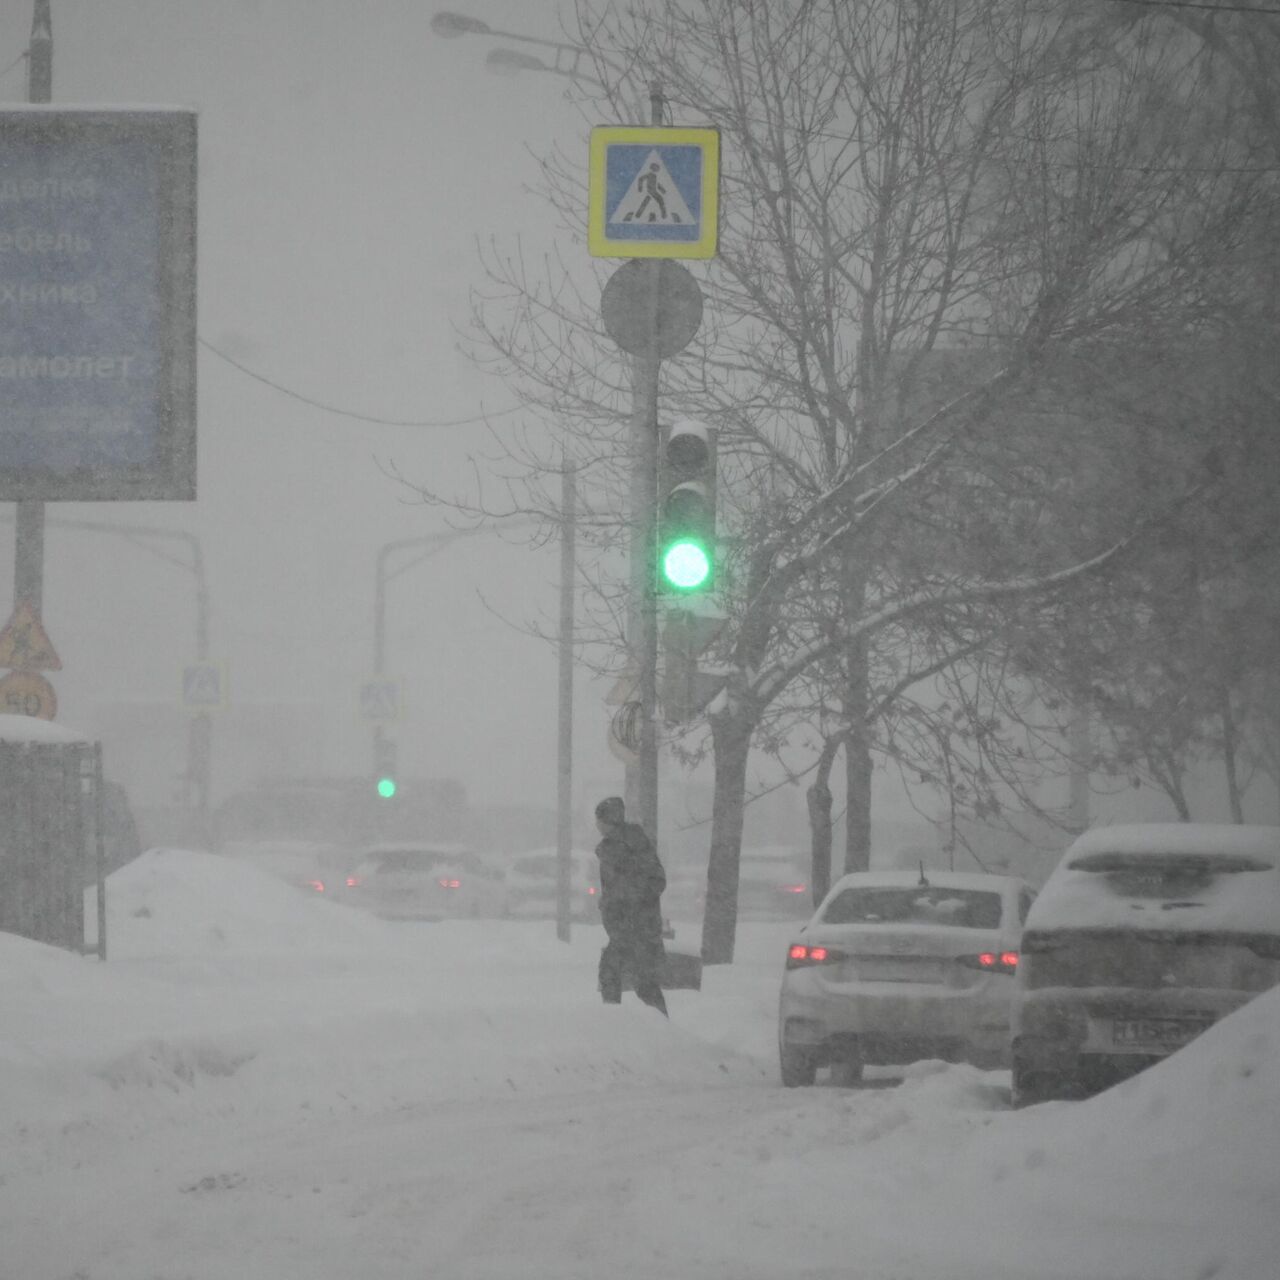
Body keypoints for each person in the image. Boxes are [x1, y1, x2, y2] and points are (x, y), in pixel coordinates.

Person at [593, 796, 668, 1016]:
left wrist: (621, 898)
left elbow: (655, 881)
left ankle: (653, 1025)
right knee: (619, 976)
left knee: (635, 980)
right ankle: (620, 1021)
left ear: (608, 821)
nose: (597, 825)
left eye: (599, 820)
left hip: (636, 927)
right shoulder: (615, 846)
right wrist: (609, 900)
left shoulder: (631, 845)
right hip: (626, 927)